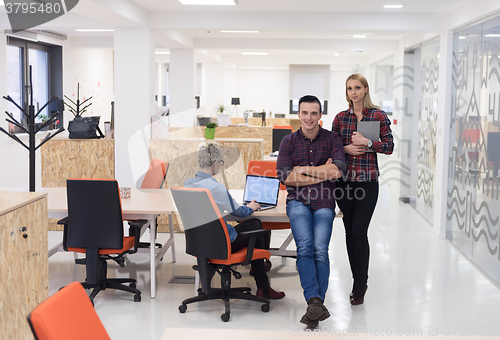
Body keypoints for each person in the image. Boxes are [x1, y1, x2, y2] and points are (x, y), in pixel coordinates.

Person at [277, 95, 346, 328]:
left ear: (320, 115)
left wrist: (304, 170)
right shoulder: (288, 141)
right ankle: (314, 302)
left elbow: (337, 171)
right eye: (304, 113)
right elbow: (286, 177)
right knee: (305, 247)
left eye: (313, 113)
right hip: (297, 202)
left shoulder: (332, 138)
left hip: (325, 201)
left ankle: (315, 305)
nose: (309, 118)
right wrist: (320, 172)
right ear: (298, 114)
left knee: (320, 250)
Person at [184, 141, 285, 300]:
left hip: (198, 243)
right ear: (215, 163)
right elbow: (239, 212)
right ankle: (263, 287)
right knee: (256, 228)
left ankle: (260, 269)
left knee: (253, 225)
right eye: (220, 163)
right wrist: (251, 207)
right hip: (220, 245)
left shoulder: (187, 184)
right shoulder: (216, 189)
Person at [332, 74, 394, 306]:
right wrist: (345, 147)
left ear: (366, 89)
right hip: (344, 182)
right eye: (349, 88)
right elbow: (332, 149)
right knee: (350, 232)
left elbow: (389, 147)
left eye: (357, 87)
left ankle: (360, 284)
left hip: (367, 182)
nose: (353, 92)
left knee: (359, 231)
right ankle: (356, 279)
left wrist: (367, 142)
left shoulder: (377, 115)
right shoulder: (340, 117)